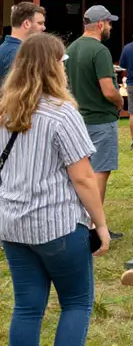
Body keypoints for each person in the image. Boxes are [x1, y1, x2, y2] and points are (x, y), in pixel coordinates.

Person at [0, 33, 110, 346]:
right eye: (63, 63)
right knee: (76, 303)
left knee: (27, 307)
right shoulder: (63, 113)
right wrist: (100, 224)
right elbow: (84, 177)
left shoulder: (4, 111)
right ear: (53, 68)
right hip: (57, 224)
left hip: (12, 223)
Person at [65, 5, 124, 241]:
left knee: (79, 173)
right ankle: (94, 226)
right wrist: (120, 102)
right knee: (99, 173)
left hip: (78, 119)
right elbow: (108, 90)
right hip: (101, 119)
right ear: (100, 24)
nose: (110, 27)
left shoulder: (71, 49)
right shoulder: (100, 51)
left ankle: (78, 222)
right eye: (109, 23)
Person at [0, 2, 46, 87]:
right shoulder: (18, 53)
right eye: (40, 23)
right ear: (27, 24)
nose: (44, 27)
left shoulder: (4, 48)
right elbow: (18, 92)